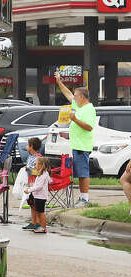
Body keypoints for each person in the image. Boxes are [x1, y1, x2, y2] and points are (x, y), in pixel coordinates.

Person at [55, 71, 97, 206]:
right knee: (79, 172)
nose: (74, 97)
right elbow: (67, 94)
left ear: (83, 97)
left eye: (76, 96)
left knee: (83, 172)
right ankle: (82, 197)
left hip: (82, 146)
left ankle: (85, 198)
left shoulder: (89, 109)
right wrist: (59, 82)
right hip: (77, 145)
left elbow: (89, 127)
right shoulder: (78, 106)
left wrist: (75, 119)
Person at [25, 156, 51, 234]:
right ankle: (40, 226)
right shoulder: (41, 173)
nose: (34, 165)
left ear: (41, 165)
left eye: (36, 164)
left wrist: (29, 190)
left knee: (41, 212)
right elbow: (37, 184)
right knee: (38, 212)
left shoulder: (44, 175)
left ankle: (43, 227)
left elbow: (39, 186)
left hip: (41, 197)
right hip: (37, 196)